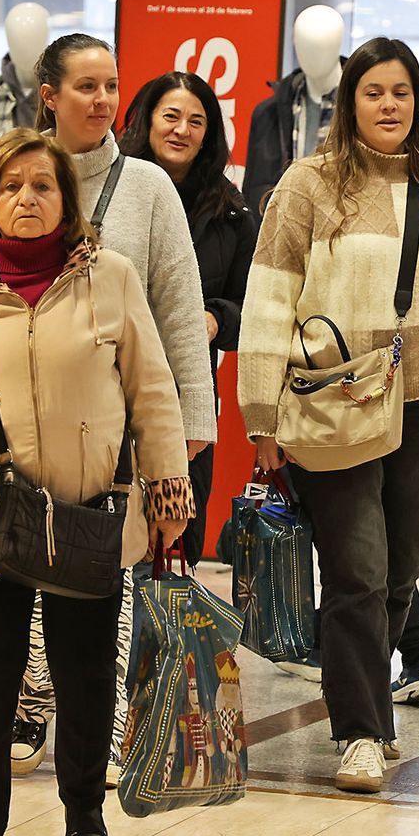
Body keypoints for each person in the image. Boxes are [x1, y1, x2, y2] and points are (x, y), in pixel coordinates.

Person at [0, 128, 193, 836]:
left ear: (68, 200)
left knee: (86, 672)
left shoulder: (113, 278)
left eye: (43, 186)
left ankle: (85, 807)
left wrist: (167, 488)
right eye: (12, 187)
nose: (27, 198)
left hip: (88, 512)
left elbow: (151, 391)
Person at [238, 37, 419, 794]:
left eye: (402, 92)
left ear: (418, 101)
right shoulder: (308, 183)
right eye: (374, 92)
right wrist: (263, 415)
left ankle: (370, 701)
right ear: (349, 101)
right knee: (356, 567)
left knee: (399, 566)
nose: (390, 105)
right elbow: (268, 297)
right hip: (334, 402)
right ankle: (359, 727)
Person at [9, 34, 214, 784]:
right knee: (29, 561)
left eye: (110, 86)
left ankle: (105, 729)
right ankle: (31, 698)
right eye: (86, 87)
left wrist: (191, 428)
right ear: (49, 95)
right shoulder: (18, 172)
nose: (101, 101)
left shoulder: (150, 187)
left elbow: (180, 314)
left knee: (114, 576)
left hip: (123, 425)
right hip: (29, 418)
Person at [117, 71, 256, 565]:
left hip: (188, 392)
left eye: (196, 121)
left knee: (179, 537)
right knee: (115, 530)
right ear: (147, 120)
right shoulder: (113, 194)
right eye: (171, 116)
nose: (182, 130)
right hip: (111, 383)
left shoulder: (232, 213)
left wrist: (216, 319)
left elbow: (252, 307)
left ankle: (171, 640)